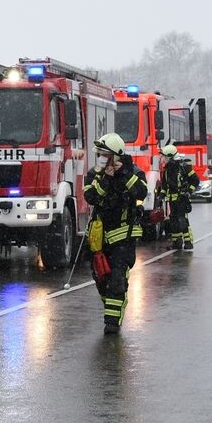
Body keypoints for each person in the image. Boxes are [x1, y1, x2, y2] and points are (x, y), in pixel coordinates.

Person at [83, 133, 148, 333]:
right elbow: (91, 196)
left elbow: (141, 192)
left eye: (105, 154)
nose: (101, 158)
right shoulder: (95, 174)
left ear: (115, 155)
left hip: (123, 237)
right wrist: (106, 179)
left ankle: (112, 324)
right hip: (99, 238)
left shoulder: (134, 172)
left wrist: (123, 175)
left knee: (116, 280)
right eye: (100, 154)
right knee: (101, 279)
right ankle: (113, 306)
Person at [159, 144, 199, 250]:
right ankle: (177, 242)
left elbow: (195, 181)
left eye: (164, 157)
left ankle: (188, 242)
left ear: (170, 157)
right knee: (174, 221)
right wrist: (162, 193)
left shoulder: (184, 167)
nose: (162, 159)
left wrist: (188, 191)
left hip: (181, 199)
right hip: (171, 200)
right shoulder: (167, 170)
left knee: (182, 220)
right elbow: (164, 184)